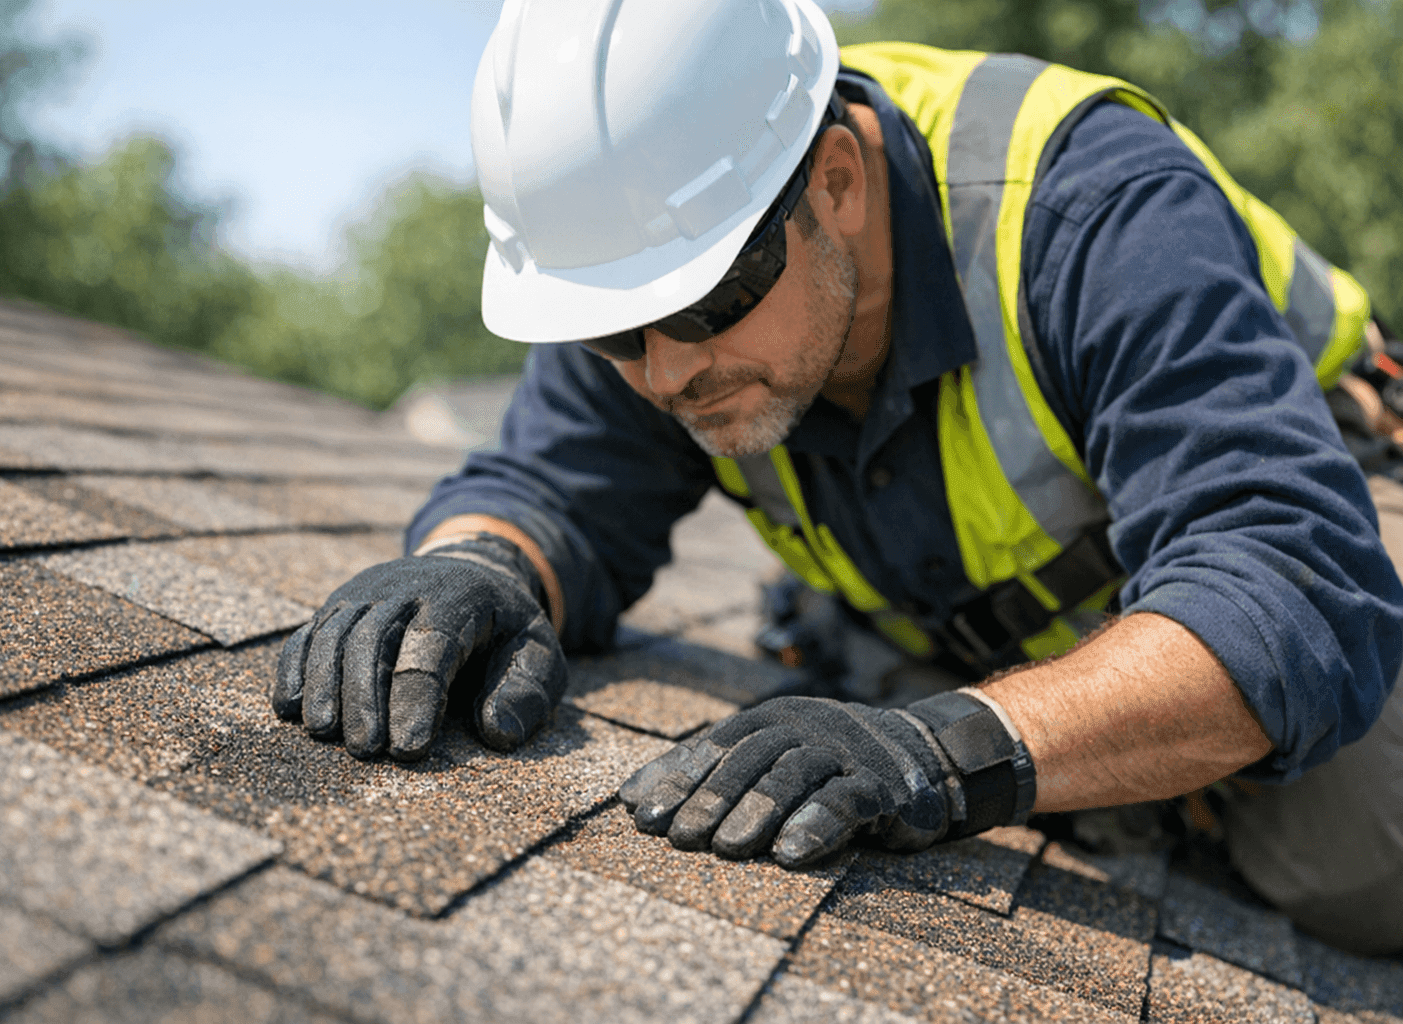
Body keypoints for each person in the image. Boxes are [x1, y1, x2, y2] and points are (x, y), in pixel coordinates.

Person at [272, 0, 1403, 953]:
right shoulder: (659, 281)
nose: (666, 372)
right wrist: (473, 565)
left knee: (1359, 859)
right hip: (1019, 602)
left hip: (1327, 511)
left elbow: (1286, 584)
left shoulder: (1093, 210)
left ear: (840, 182)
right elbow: (551, 490)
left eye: (704, 302)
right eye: (614, 332)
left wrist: (940, 751)